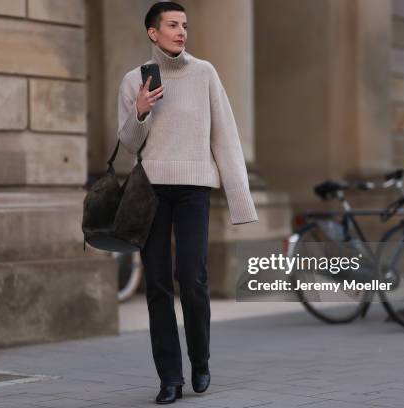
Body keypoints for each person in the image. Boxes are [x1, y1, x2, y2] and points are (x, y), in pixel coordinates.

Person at [116, 1, 258, 404]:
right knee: (157, 285)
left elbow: (225, 138)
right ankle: (170, 379)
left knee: (192, 277)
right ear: (153, 32)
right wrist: (140, 112)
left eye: (184, 25)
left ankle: (200, 361)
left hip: (194, 188)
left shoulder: (205, 73)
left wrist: (240, 201)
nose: (181, 31)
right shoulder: (133, 81)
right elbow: (128, 145)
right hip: (152, 190)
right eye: (173, 25)